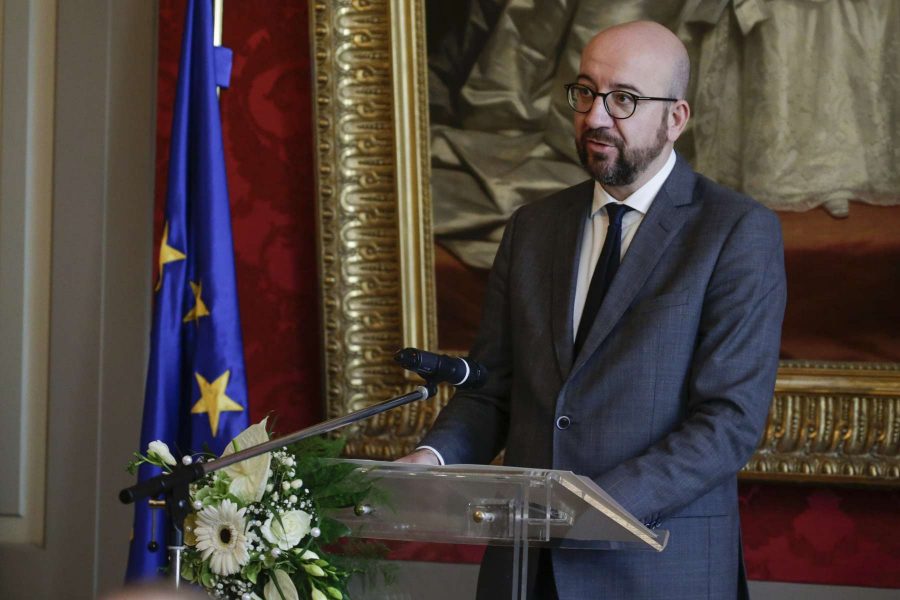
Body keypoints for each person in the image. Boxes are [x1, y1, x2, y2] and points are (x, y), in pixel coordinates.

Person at [399, 20, 786, 600]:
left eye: (624, 99)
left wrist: (586, 509)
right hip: (525, 572)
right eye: (585, 93)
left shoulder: (734, 231)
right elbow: (492, 389)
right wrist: (433, 458)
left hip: (655, 569)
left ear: (675, 119)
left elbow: (727, 422)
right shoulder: (532, 228)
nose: (597, 117)